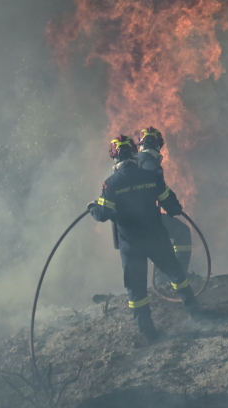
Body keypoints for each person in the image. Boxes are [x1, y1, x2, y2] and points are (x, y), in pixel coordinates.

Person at [89, 134, 201, 341]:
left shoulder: (111, 184)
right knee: (178, 276)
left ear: (114, 157)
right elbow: (174, 208)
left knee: (137, 292)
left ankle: (149, 334)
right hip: (156, 239)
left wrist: (92, 208)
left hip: (131, 246)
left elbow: (103, 214)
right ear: (134, 153)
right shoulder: (150, 177)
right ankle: (196, 314)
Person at [134, 127, 193, 286]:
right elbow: (161, 192)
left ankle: (162, 280)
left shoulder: (131, 163)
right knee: (182, 232)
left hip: (129, 223)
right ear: (158, 145)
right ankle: (176, 276)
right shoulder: (152, 166)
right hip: (148, 219)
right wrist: (174, 207)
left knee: (160, 241)